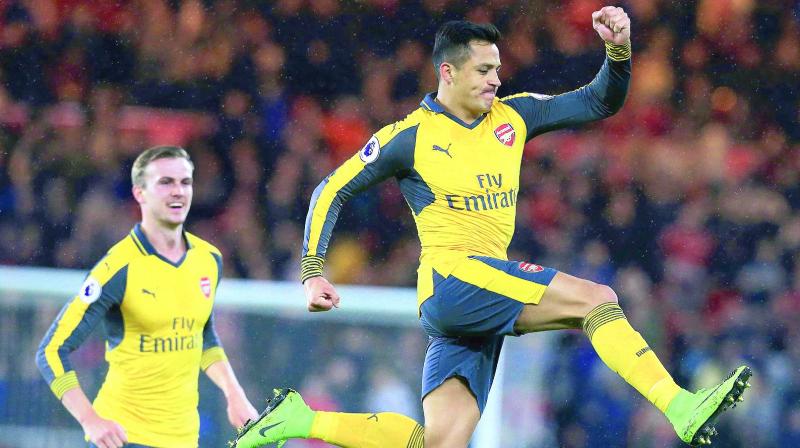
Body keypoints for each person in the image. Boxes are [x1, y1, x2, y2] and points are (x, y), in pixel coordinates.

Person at [235, 7, 750, 448]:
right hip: (454, 278)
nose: (495, 80)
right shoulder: (410, 136)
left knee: (438, 439)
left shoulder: (513, 117)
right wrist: (311, 271)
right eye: (483, 70)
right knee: (596, 298)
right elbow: (331, 188)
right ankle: (679, 405)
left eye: (497, 69)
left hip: (467, 297)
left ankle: (298, 420)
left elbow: (599, 101)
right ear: (448, 73)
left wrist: (618, 52)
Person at [36, 146, 258, 448]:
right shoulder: (117, 267)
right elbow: (51, 350)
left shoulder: (209, 259)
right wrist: (90, 419)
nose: (178, 191)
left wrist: (235, 394)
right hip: (125, 438)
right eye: (165, 182)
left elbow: (202, 335)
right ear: (140, 193)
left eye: (185, 182)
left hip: (184, 440)